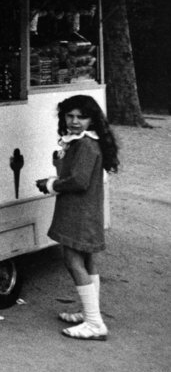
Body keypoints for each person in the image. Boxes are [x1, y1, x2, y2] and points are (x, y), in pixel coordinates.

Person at [35, 94, 119, 341]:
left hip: (77, 211)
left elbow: (79, 181)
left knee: (73, 261)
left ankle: (94, 323)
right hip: (88, 210)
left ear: (92, 119)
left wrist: (52, 184)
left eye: (81, 117)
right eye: (69, 116)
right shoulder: (88, 142)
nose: (74, 121)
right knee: (88, 261)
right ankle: (89, 312)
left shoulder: (84, 145)